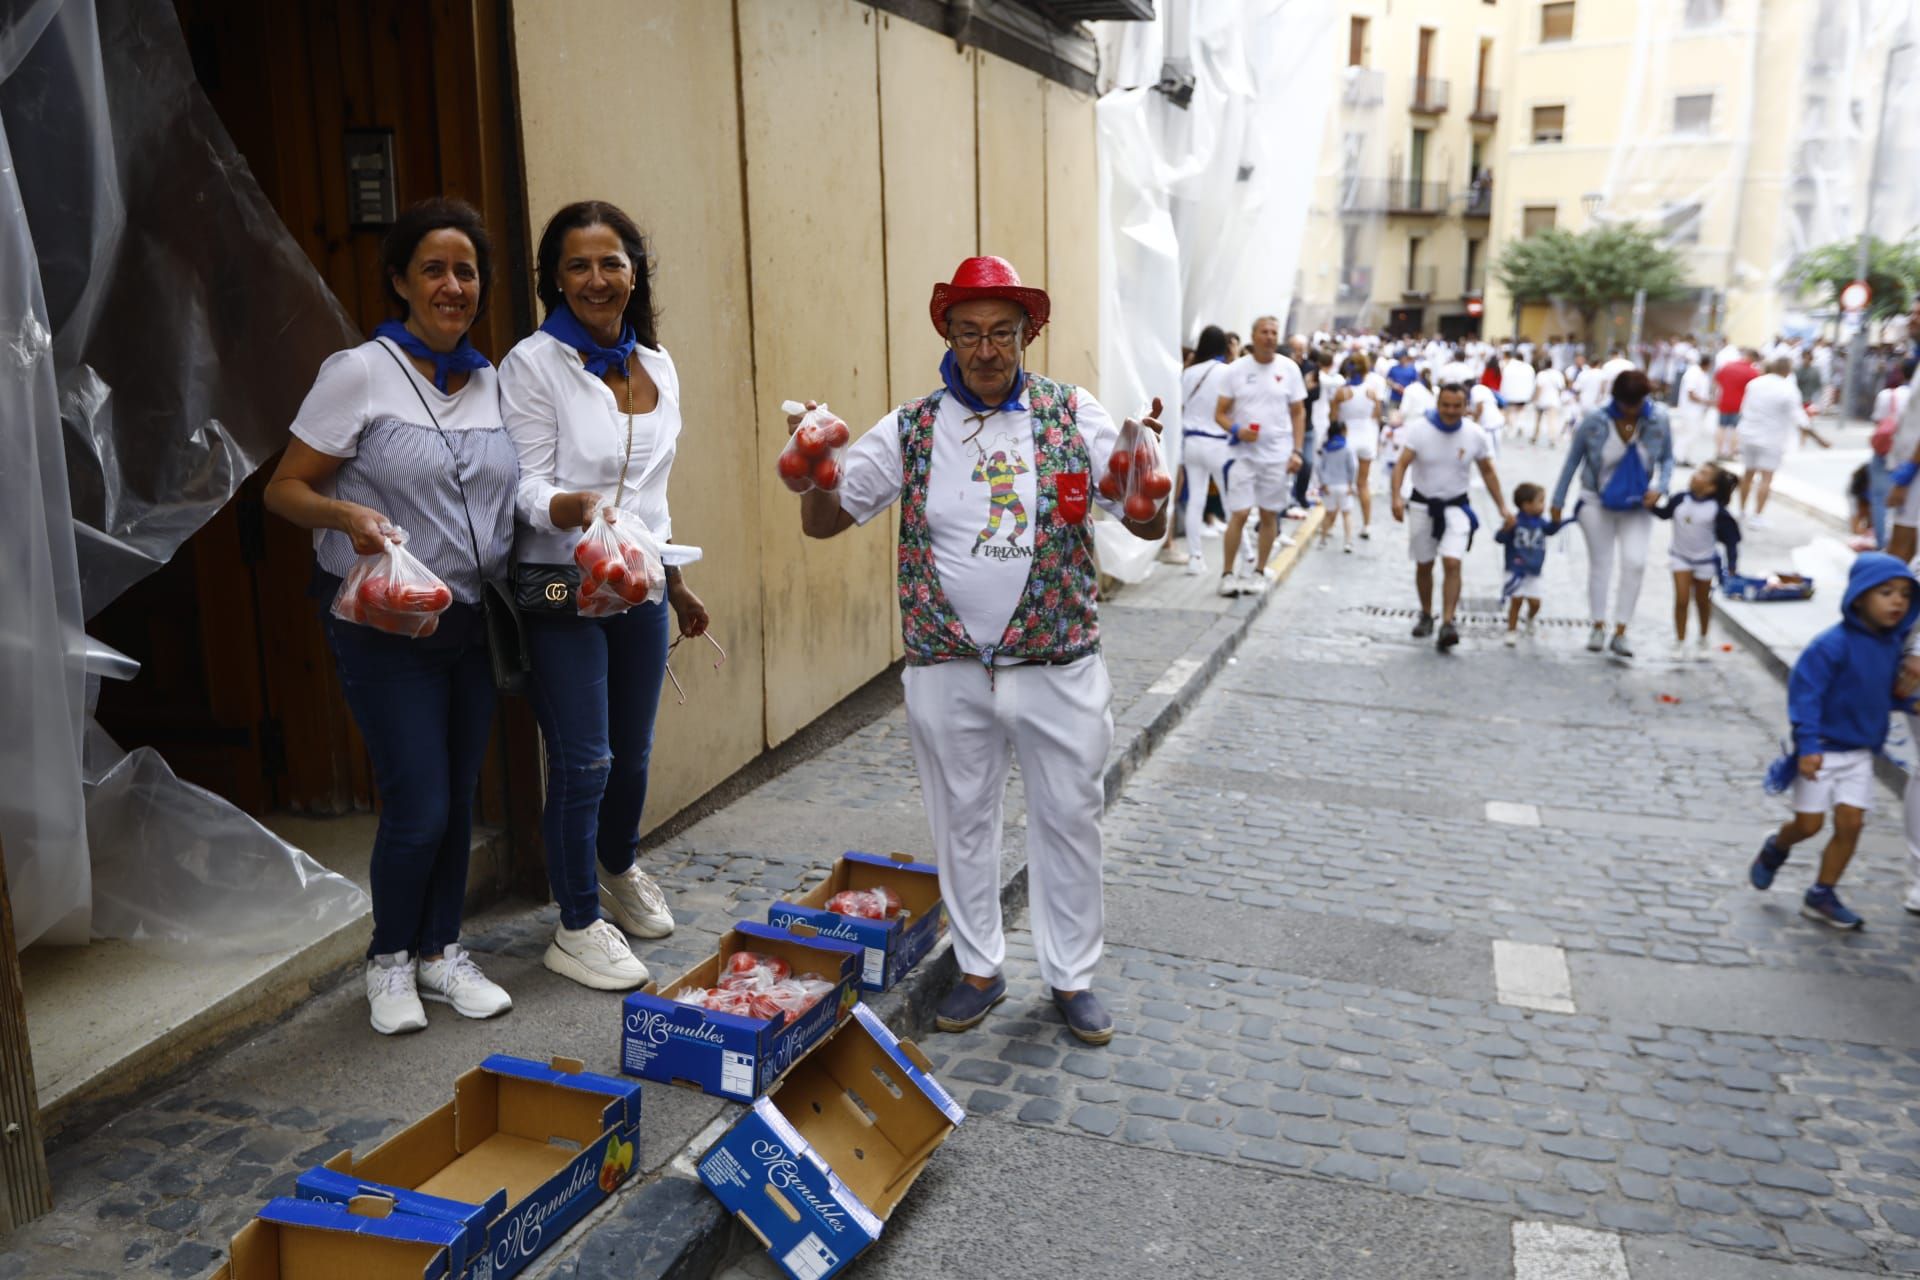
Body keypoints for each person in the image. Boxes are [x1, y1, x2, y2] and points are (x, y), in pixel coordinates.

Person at [790, 256, 1167, 1046]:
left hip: (1056, 665)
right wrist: (815, 470)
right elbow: (825, 522)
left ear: (1028, 334)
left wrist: (1140, 481)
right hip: (947, 667)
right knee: (960, 819)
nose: (986, 349)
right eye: (970, 333)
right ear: (948, 336)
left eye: (1002, 332)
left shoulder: (1076, 413)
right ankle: (979, 967)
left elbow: (1142, 524)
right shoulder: (911, 426)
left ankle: (1072, 977)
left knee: (1070, 819)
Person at [263, 198, 517, 1034]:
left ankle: (442, 952)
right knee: (421, 803)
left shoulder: (490, 381)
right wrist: (349, 518)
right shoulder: (360, 371)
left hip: (469, 622)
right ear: (401, 280)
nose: (453, 285)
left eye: (467, 270)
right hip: (383, 628)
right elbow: (286, 489)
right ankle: (390, 961)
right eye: (435, 269)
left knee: (457, 794)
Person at [499, 200, 712, 992]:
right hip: (561, 584)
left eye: (611, 262)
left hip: (640, 583)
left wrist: (678, 583)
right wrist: (573, 509)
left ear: (635, 272)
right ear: (555, 277)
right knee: (584, 758)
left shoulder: (657, 365)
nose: (597, 279)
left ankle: (618, 868)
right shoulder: (532, 364)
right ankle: (577, 923)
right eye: (578, 265)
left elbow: (652, 499)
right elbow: (523, 483)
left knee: (634, 756)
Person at [1750, 554, 1920, 929]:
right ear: (1859, 597)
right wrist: (1808, 746)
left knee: (1851, 824)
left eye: (1905, 595)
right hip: (1822, 749)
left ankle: (1822, 893)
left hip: (1859, 754)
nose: (1897, 602)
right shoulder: (1830, 646)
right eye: (1886, 593)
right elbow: (1805, 698)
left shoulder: (1891, 646)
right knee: (1808, 825)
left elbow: (1882, 691)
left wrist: (1910, 701)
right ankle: (1777, 846)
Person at [1552, 370, 1673, 660]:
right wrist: (1557, 502)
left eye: (1636, 403)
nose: (1631, 409)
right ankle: (1597, 624)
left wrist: (1661, 487)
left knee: (1635, 562)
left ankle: (1621, 630)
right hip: (1595, 500)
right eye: (1626, 403)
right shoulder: (1595, 420)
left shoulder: (1658, 419)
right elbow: (1573, 461)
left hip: (1638, 501)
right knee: (1601, 564)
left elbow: (1668, 457)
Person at [1389, 383, 1512, 652]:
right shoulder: (1420, 430)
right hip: (1423, 505)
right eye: (1446, 405)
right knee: (1424, 564)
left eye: (1457, 406)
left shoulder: (1474, 434)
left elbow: (1488, 471)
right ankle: (1425, 613)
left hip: (1457, 505)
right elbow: (1401, 464)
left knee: (1453, 562)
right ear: (1438, 403)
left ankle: (1447, 621)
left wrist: (1502, 506)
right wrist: (1396, 497)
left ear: (1466, 406)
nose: (1451, 411)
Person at [1214, 315, 1308, 597]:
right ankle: (1227, 574)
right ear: (1253, 336)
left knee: (1269, 515)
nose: (1269, 336)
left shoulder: (1289, 369)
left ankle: (1258, 572)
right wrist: (1237, 430)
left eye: (1274, 332)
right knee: (1240, 513)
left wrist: (1297, 451)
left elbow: (1298, 412)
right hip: (1243, 454)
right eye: (1264, 332)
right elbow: (1219, 413)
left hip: (1277, 456)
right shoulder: (1236, 370)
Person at [1653, 462, 1740, 660]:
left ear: (1711, 488)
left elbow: (1731, 540)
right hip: (1680, 557)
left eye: (1703, 474)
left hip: (1705, 561)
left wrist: (1733, 565)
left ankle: (1703, 637)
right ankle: (1680, 640)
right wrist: (1649, 506)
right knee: (1682, 599)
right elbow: (1665, 514)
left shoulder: (1716, 510)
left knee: (1702, 601)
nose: (1695, 475)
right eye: (1698, 471)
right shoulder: (1679, 500)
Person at [1736, 355, 1824, 527]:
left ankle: (1741, 511)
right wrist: (1819, 439)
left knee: (1747, 474)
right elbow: (1799, 418)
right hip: (1771, 438)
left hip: (1749, 434)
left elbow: (1744, 408)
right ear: (1787, 371)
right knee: (1766, 478)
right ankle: (1757, 516)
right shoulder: (1788, 389)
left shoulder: (1755, 384)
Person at [1178, 325, 1234, 574]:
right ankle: (1248, 558)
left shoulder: (1188, 373)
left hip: (1191, 442)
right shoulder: (1228, 372)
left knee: (1195, 501)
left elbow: (1180, 407)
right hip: (1218, 443)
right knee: (1231, 501)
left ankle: (1195, 557)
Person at [1493, 482, 1570, 646]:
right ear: (1526, 505)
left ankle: (1530, 617)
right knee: (1516, 600)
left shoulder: (1540, 522)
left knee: (1535, 602)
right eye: (1540, 501)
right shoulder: (1515, 522)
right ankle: (1511, 630)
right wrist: (1506, 528)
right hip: (1516, 569)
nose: (1543, 505)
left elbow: (1551, 530)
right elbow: (1499, 539)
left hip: (1534, 570)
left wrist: (1560, 521)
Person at [1330, 352, 1383, 537]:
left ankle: (1332, 525)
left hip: (1348, 439)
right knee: (1363, 484)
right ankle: (1367, 525)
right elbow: (1376, 414)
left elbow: (1333, 418)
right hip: (1367, 438)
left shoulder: (1341, 392)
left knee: (1342, 484)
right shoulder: (1371, 391)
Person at [1316, 419, 1358, 553]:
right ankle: (1348, 542)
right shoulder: (1347, 448)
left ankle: (1322, 539)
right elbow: (1352, 467)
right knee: (1346, 514)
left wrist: (1323, 483)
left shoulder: (1325, 448)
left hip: (1329, 486)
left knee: (1328, 513)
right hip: (1343, 485)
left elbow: (1319, 467)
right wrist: (1350, 484)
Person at [1714, 347, 1761, 461]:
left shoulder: (1727, 366)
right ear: (1753, 359)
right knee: (1735, 429)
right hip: (1739, 405)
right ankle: (1731, 453)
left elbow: (1717, 381)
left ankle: (1719, 452)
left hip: (1724, 401)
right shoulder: (1752, 372)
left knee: (1721, 427)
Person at [1676, 353, 1716, 466]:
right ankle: (1679, 457)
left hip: (1697, 410)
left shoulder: (1701, 374)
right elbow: (1691, 394)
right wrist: (1707, 402)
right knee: (1687, 434)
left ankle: (1685, 457)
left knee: (1693, 435)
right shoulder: (1693, 373)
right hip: (1690, 410)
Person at [1502, 347, 1537, 441]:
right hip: (1524, 395)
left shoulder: (1508, 367)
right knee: (1521, 411)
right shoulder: (1529, 367)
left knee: (1512, 411)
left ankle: (1514, 427)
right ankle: (1520, 425)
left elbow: (1504, 382)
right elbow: (1533, 382)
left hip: (1511, 395)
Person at [1530, 355, 1565, 446]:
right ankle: (1552, 438)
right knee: (1552, 420)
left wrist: (1535, 399)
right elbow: (1561, 388)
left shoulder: (1541, 374)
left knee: (1538, 420)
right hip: (1553, 400)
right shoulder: (1558, 374)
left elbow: (1538, 388)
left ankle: (1535, 436)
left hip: (1542, 400)